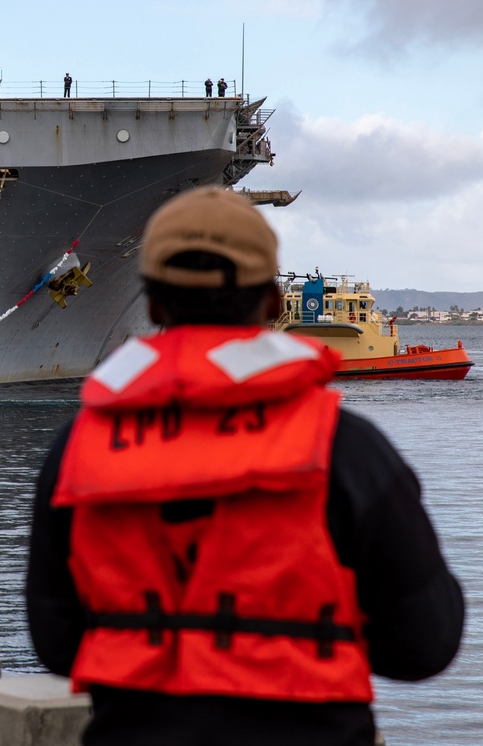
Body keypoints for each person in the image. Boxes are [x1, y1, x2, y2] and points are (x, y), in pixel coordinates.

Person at [26, 186, 463, 746]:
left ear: (154, 305)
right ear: (275, 303)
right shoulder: (346, 448)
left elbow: (57, 644)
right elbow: (425, 645)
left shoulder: (78, 448)